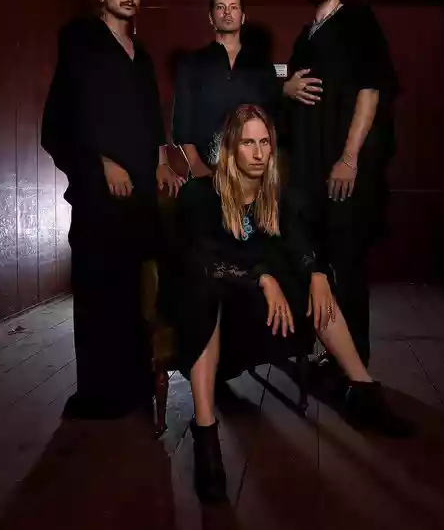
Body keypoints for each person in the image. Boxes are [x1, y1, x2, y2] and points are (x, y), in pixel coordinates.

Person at [162, 104, 411, 505]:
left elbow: (299, 241)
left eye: (265, 142)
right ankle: (205, 432)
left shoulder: (275, 195)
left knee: (316, 284)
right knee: (202, 291)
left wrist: (316, 273)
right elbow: (201, 257)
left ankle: (362, 390)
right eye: (248, 143)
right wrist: (261, 277)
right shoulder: (199, 195)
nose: (259, 153)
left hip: (253, 321)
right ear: (230, 149)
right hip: (208, 323)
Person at [41, 0, 184, 420]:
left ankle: (136, 384)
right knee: (97, 288)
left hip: (139, 193)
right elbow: (61, 119)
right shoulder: (81, 41)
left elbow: (151, 116)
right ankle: (99, 396)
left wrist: (160, 162)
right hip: (98, 191)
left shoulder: (140, 54)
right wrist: (102, 164)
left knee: (136, 290)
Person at [282, 0, 399, 371]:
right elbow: (291, 98)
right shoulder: (304, 37)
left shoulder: (358, 22)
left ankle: (356, 371)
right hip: (307, 173)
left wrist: (349, 158)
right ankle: (330, 357)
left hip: (344, 171)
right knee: (315, 267)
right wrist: (285, 88)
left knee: (348, 268)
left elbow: (371, 90)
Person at [172, 0, 281, 177]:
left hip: (252, 171)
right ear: (211, 17)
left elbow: (273, 119)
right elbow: (182, 121)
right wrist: (196, 166)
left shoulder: (262, 66)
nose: (227, 13)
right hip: (205, 170)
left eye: (234, 7)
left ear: (243, 17)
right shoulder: (192, 63)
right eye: (221, 7)